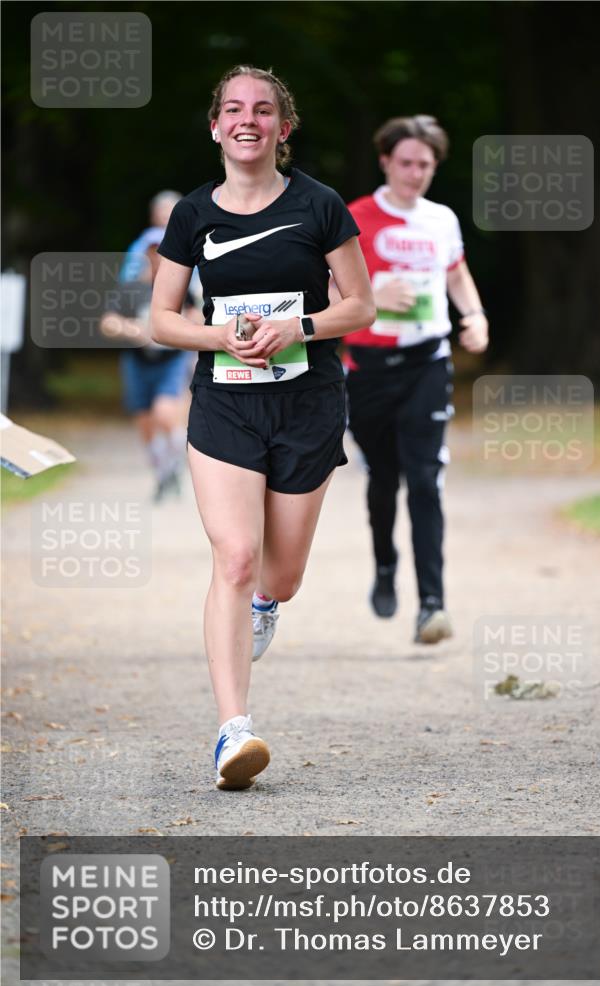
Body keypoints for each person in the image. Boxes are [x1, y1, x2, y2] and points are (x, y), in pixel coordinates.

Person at [151, 66, 374, 790]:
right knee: (236, 555)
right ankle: (232, 731)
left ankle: (265, 605)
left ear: (283, 127)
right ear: (215, 126)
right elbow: (161, 318)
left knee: (279, 574)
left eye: (264, 110)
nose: (248, 120)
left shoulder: (320, 206)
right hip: (226, 404)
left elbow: (360, 306)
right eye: (234, 110)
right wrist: (222, 338)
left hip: (308, 403)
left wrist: (295, 328)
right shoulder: (192, 215)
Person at [342, 115, 488, 643]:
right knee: (385, 480)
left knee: (425, 480)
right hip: (369, 368)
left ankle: (432, 605)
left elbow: (455, 273)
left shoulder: (441, 219)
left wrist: (474, 316)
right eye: (405, 162)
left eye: (425, 165)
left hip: (428, 359)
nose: (415, 173)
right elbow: (324, 289)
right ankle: (385, 563)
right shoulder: (355, 218)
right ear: (386, 162)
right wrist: (371, 299)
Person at [101, 194, 194, 502]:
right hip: (138, 359)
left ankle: (175, 468)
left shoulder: (181, 285)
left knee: (166, 413)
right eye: (153, 253)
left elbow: (196, 312)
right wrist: (129, 329)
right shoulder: (132, 288)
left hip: (171, 358)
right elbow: (108, 320)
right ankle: (163, 474)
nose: (158, 258)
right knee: (145, 423)